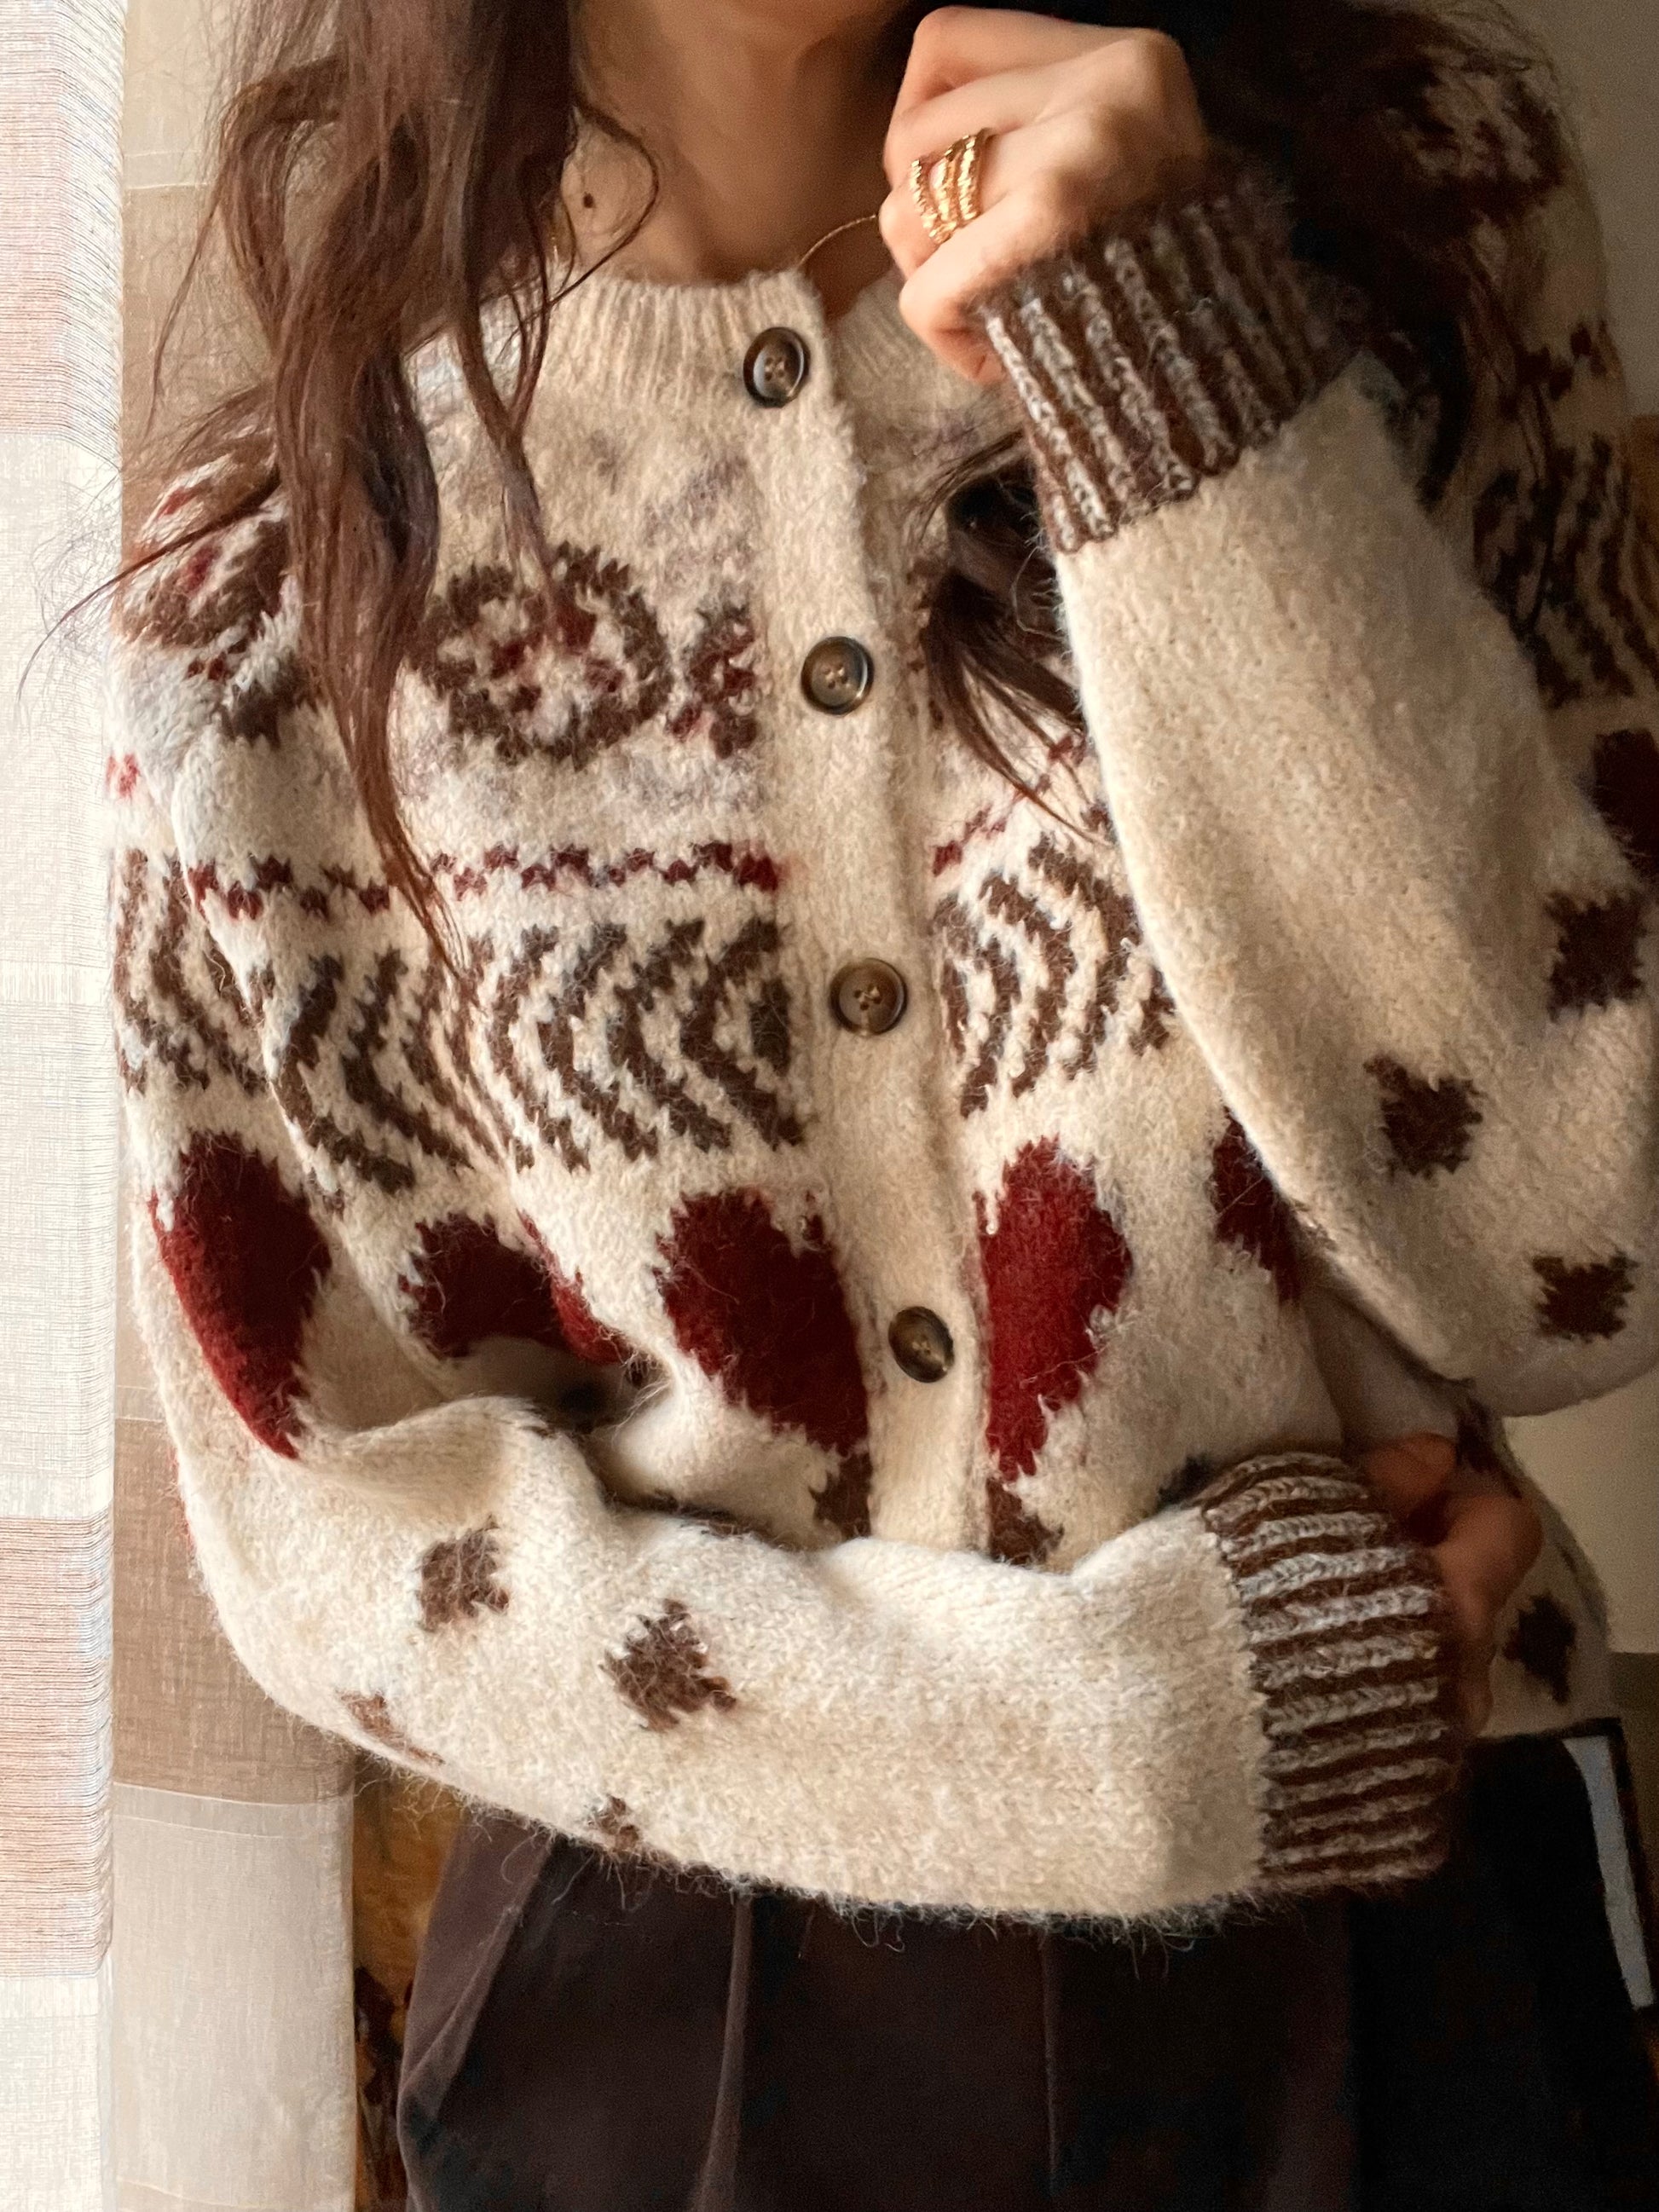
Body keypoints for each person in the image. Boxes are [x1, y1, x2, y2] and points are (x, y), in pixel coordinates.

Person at [98, 0, 1659, 2203]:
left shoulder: (1429, 210)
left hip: (1407, 1943)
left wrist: (1177, 363)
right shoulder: (274, 584)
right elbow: (337, 1529)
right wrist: (1130, 1752)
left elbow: (1577, 1245)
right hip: (681, 1999)